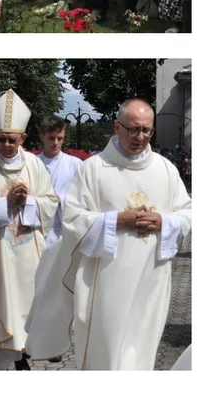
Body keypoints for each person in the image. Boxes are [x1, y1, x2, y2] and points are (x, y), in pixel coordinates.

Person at [26, 99, 192, 370]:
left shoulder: (165, 169)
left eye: (146, 130)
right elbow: (72, 220)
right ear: (117, 126)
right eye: (133, 129)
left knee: (141, 355)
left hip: (151, 281)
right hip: (104, 282)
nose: (140, 137)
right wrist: (117, 221)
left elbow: (187, 213)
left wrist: (164, 221)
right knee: (106, 357)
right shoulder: (94, 169)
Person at [0, 90, 59, 370]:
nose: (6, 144)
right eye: (1, 138)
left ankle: (23, 360)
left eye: (12, 139)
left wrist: (27, 202)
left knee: (26, 317)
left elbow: (51, 202)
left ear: (23, 139)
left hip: (28, 256)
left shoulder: (34, 165)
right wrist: (4, 205)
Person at [35, 116, 82, 247]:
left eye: (59, 138)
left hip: (63, 231)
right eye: (51, 138)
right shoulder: (32, 163)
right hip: (37, 228)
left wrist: (60, 200)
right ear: (42, 136)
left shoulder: (75, 164)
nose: (55, 142)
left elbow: (82, 200)